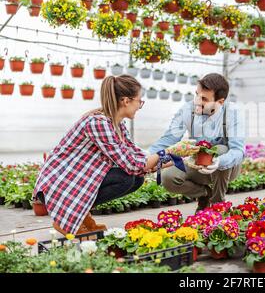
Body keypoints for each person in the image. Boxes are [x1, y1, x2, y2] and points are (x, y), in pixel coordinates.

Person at [33, 75, 194, 236]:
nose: (140, 106)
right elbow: (133, 165)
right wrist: (169, 151)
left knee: (136, 179)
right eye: (139, 101)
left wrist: (181, 158)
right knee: (126, 178)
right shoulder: (98, 123)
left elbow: (138, 158)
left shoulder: (117, 125)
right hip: (57, 185)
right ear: (126, 101)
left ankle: (80, 214)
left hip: (73, 184)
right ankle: (66, 217)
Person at [149, 73, 245, 212]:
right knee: (168, 178)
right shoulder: (188, 110)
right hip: (196, 162)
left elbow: (238, 151)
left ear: (220, 102)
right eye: (197, 95)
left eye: (204, 99)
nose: (197, 101)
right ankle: (205, 194)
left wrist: (220, 161)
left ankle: (218, 205)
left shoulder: (232, 113)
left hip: (226, 168)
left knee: (221, 150)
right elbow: (168, 139)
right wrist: (148, 157)